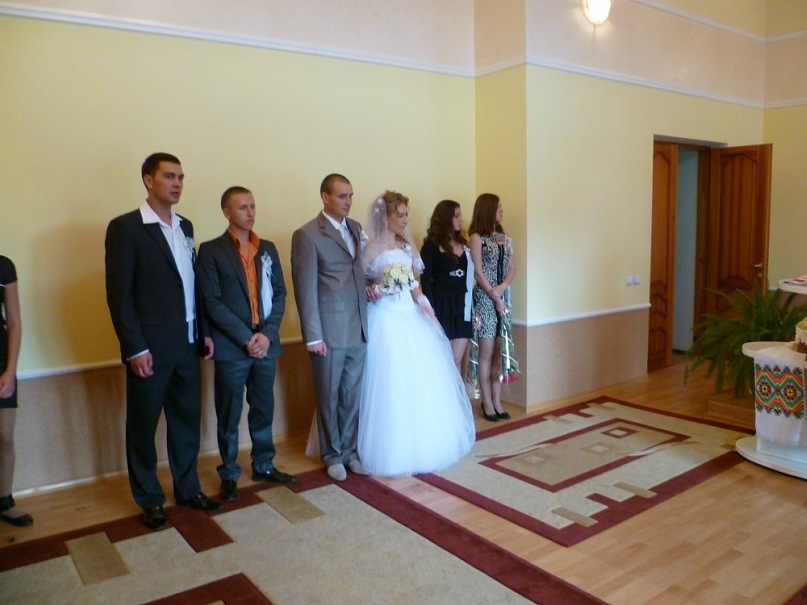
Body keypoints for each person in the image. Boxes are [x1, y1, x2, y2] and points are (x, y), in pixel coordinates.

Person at [105, 152, 222, 531]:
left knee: (186, 422)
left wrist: (204, 332)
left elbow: (192, 285)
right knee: (142, 427)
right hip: (150, 349)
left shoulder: (185, 226)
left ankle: (187, 489)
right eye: (170, 176)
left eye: (181, 177)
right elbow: (119, 296)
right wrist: (134, 347)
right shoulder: (126, 228)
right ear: (148, 180)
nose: (177, 183)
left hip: (188, 344)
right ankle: (150, 500)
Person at [358, 191, 475, 477]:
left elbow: (415, 284)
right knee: (390, 382)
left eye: (406, 214)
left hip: (409, 316)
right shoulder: (370, 249)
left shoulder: (406, 247)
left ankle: (424, 442)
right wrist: (371, 289)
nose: (405, 220)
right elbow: (358, 283)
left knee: (419, 381)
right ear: (385, 217)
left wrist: (424, 304)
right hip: (384, 318)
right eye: (400, 215)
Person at [197, 187, 297, 503]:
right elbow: (212, 301)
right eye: (242, 207)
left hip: (265, 343)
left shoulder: (267, 248)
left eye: (252, 206)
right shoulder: (211, 250)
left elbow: (280, 294)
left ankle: (264, 464)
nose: (250, 212)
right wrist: (245, 337)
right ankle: (229, 473)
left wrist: (266, 334)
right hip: (233, 347)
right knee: (229, 413)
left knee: (263, 407)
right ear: (227, 212)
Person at [291, 174, 372, 482]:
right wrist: (313, 336)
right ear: (325, 197)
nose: (348, 201)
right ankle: (332, 455)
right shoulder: (308, 235)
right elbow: (305, 289)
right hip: (329, 330)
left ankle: (350, 452)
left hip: (359, 326)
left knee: (352, 396)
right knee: (329, 396)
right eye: (342, 196)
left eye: (351, 195)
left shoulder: (356, 228)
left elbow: (357, 272)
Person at [469, 193, 516, 422]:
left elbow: (512, 267)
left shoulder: (505, 237)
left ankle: (497, 400)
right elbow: (478, 272)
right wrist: (494, 295)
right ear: (488, 209)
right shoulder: (476, 237)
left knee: (499, 352)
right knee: (486, 352)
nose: (502, 210)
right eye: (498, 207)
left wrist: (503, 287)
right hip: (485, 298)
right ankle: (486, 402)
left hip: (503, 297)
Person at [420, 199, 475, 373]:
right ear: (445, 218)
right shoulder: (430, 246)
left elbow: (470, 278)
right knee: (445, 360)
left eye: (460, 215)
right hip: (441, 306)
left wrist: (473, 309)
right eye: (456, 216)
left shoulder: (464, 244)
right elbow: (425, 280)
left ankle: (458, 391)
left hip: (462, 306)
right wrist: (431, 310)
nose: (461, 219)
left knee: (456, 360)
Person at [0, 256, 32, 527]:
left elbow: (14, 322)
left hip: (1, 362)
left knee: (4, 436)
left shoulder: (4, 266)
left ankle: (4, 501)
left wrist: (10, 370)